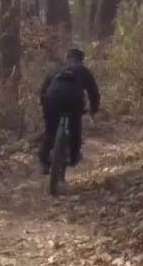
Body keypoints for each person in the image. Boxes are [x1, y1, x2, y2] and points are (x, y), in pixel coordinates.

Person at [38, 47, 101, 175]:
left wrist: (44, 103)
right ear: (81, 60)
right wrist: (93, 109)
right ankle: (73, 157)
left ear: (66, 58)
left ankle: (44, 161)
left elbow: (43, 89)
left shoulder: (56, 68)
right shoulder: (83, 71)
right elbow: (94, 93)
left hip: (53, 99)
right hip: (74, 100)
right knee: (75, 130)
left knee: (50, 132)